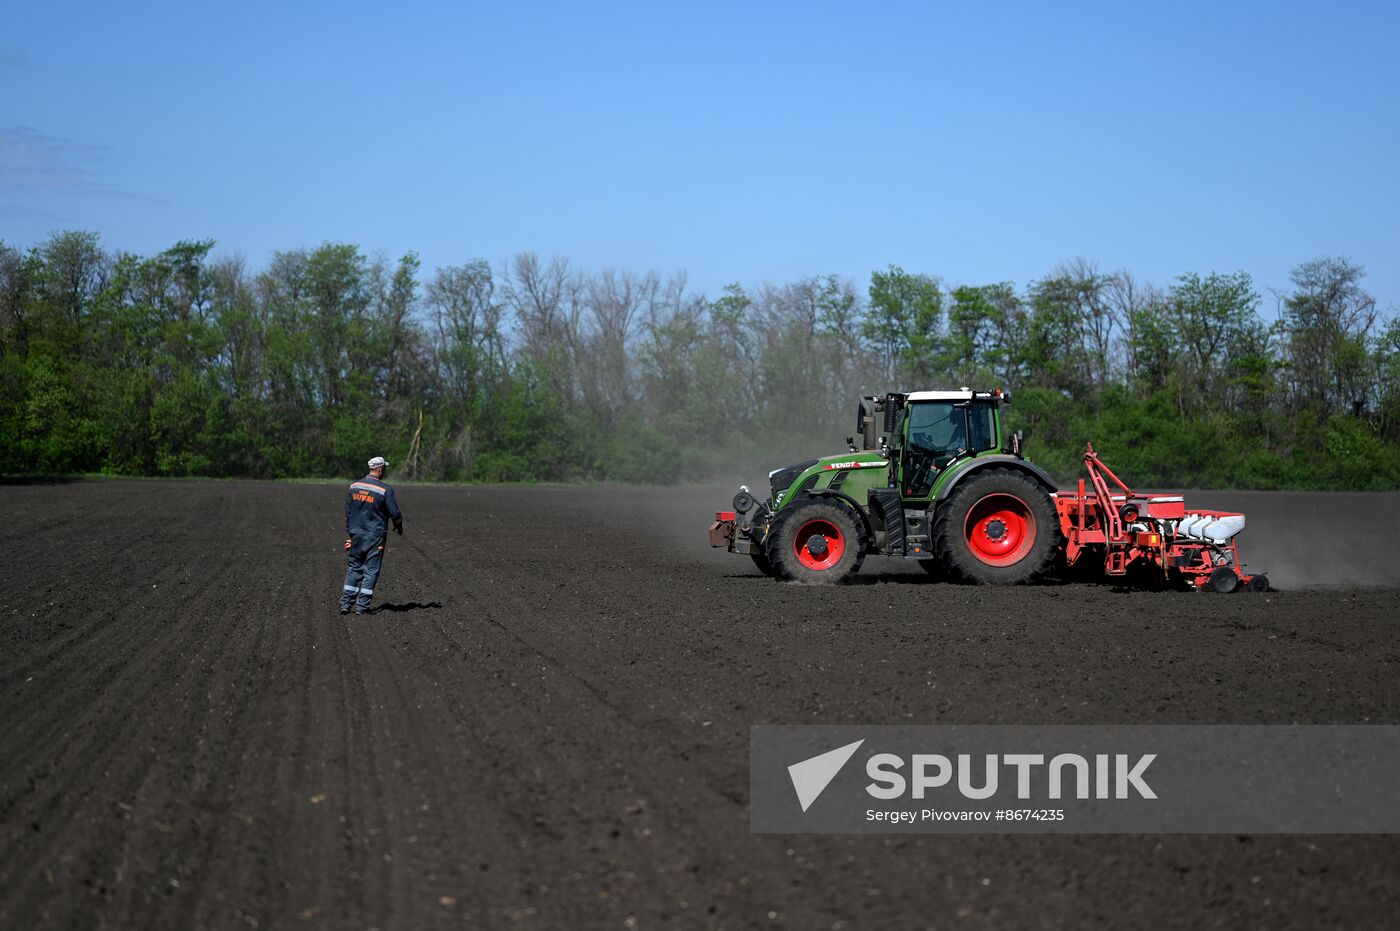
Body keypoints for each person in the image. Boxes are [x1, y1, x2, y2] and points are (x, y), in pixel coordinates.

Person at [339, 456, 404, 615]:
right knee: (370, 571)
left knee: (354, 568)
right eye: (384, 468)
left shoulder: (354, 486)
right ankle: (362, 607)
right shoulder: (385, 489)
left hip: (356, 534)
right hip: (375, 536)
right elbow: (395, 513)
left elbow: (348, 513)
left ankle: (345, 604)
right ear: (380, 469)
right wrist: (398, 525)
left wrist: (351, 534)